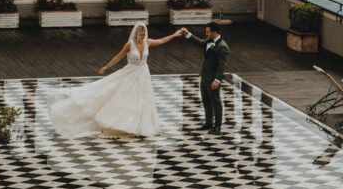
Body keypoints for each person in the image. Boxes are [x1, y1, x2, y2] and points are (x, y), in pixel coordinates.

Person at [47, 23, 186, 138]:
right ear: (136, 33)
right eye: (141, 34)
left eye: (144, 34)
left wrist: (174, 35)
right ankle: (120, 124)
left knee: (142, 100)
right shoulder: (129, 45)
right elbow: (118, 57)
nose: (143, 36)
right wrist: (106, 67)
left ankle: (139, 126)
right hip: (130, 73)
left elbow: (161, 40)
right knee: (120, 95)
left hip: (143, 75)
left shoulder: (147, 42)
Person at [184, 23, 230, 133]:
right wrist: (188, 34)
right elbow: (199, 42)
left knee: (216, 102)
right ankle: (208, 122)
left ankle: (217, 126)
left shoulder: (222, 47)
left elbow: (222, 66)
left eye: (208, 32)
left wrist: (217, 80)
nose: (206, 33)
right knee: (206, 101)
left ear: (215, 33)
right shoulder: (208, 41)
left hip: (213, 79)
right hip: (204, 77)